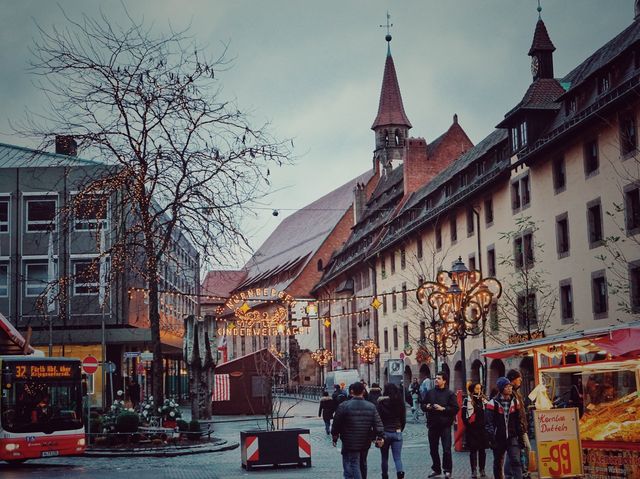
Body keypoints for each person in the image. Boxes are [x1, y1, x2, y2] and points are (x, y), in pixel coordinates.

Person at [332, 381, 384, 479]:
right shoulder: (371, 406)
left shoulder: (344, 406)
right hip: (365, 440)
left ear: (351, 391)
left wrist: (335, 436)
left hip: (349, 441)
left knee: (354, 463)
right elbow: (378, 423)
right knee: (363, 462)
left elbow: (336, 423)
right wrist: (380, 436)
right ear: (363, 391)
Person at [486, 377, 523, 479]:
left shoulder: (515, 402)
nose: (510, 388)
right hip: (499, 438)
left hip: (512, 436)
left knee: (516, 461)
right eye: (507, 386)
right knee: (498, 462)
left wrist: (521, 437)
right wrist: (492, 439)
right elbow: (489, 423)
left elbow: (518, 421)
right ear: (501, 388)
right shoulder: (492, 403)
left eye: (510, 386)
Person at [423, 371, 459, 479]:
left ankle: (447, 470)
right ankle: (436, 469)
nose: (436, 380)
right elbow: (422, 404)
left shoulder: (450, 394)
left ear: (444, 380)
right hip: (433, 425)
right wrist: (427, 406)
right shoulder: (430, 392)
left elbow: (456, 408)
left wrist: (443, 408)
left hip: (445, 426)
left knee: (446, 449)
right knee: (433, 449)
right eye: (436, 378)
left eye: (438, 378)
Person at [376, 383, 406, 479]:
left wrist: (378, 433)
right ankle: (400, 474)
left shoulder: (381, 403)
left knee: (384, 457)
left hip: (385, 432)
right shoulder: (399, 402)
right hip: (397, 431)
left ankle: (385, 475)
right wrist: (400, 429)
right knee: (397, 457)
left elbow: (378, 419)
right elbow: (403, 419)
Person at [504, 369, 530, 479]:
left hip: (520, 427)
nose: (521, 380)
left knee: (514, 452)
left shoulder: (516, 392)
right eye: (519, 378)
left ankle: (510, 474)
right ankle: (521, 472)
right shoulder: (511, 393)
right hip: (516, 428)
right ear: (513, 379)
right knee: (525, 448)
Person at [463, 382, 489, 478]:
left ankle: (482, 470)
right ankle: (473, 471)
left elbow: (488, 413)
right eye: (477, 389)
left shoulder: (483, 400)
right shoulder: (468, 400)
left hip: (482, 429)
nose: (479, 390)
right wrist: (469, 426)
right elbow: (463, 415)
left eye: (480, 388)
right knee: (473, 451)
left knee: (482, 450)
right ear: (472, 389)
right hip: (472, 430)